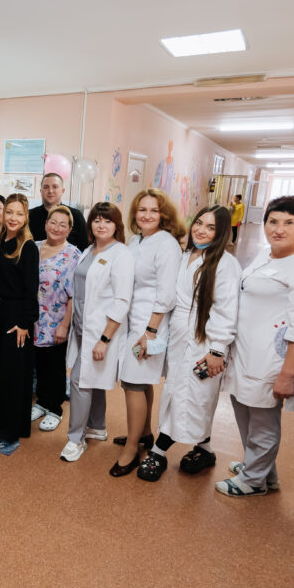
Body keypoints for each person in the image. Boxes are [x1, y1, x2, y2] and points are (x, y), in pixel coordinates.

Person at [216, 196, 294, 496]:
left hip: (271, 359)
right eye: (273, 221)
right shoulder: (266, 254)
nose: (279, 229)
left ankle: (253, 482)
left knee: (263, 421)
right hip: (244, 352)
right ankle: (262, 470)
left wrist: (288, 374)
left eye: (289, 223)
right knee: (244, 413)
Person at [138, 205, 240, 481]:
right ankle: (205, 449)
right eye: (199, 223)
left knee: (193, 397)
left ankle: (158, 451)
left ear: (221, 233)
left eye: (211, 227)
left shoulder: (225, 264)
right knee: (179, 392)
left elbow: (226, 310)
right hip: (180, 338)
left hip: (206, 343)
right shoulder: (187, 255)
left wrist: (217, 350)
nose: (201, 230)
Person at [110, 189, 184, 476]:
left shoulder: (166, 244)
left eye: (154, 210)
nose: (147, 215)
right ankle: (144, 434)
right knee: (140, 381)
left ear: (163, 214)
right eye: (142, 209)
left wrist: (151, 331)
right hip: (134, 319)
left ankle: (131, 449)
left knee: (133, 382)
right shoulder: (137, 240)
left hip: (151, 322)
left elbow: (167, 293)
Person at [61, 203, 133, 462]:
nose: (101, 225)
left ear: (117, 225)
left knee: (80, 381)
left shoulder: (121, 255)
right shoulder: (89, 250)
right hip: (82, 328)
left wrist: (104, 339)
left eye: (108, 221)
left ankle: (75, 439)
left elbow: (122, 301)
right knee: (94, 380)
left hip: (100, 331)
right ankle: (97, 426)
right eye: (97, 220)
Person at [0, 194, 39, 456]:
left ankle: (10, 431)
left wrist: (24, 323)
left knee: (13, 374)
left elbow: (31, 288)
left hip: (16, 316)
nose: (13, 218)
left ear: (26, 217)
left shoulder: (28, 247)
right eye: (9, 212)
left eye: (19, 213)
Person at [31, 206, 81, 432]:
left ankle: (55, 409)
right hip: (33, 319)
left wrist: (64, 325)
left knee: (55, 365)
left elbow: (74, 295)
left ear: (69, 230)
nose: (56, 228)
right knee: (39, 363)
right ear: (45, 224)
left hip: (57, 320)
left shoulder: (74, 255)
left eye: (63, 225)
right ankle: (42, 402)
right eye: (53, 222)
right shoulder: (33, 247)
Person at [29, 173, 89, 251]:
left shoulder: (76, 215)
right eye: (46, 187)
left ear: (62, 191)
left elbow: (84, 248)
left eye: (55, 187)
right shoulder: (29, 215)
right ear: (41, 191)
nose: (50, 191)